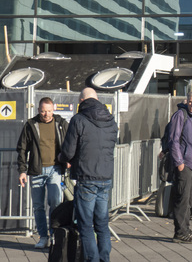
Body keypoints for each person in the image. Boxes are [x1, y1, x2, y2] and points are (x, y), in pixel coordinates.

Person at [58, 88, 118, 261]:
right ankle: (104, 258)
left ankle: (92, 259)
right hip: (105, 177)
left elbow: (68, 152)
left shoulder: (78, 119)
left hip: (86, 177)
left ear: (81, 100)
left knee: (85, 225)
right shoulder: (111, 120)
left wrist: (62, 157)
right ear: (97, 100)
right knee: (102, 224)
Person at [16, 97, 69, 249]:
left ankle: (54, 236)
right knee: (38, 206)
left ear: (54, 110)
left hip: (55, 169)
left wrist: (69, 160)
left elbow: (70, 142)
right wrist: (22, 171)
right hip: (36, 170)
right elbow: (22, 148)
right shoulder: (31, 125)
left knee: (55, 204)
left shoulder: (61, 124)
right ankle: (43, 237)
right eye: (43, 111)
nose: (46, 114)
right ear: (38, 110)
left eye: (49, 111)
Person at [168, 90, 192, 243]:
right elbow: (173, 140)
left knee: (189, 199)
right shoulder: (180, 115)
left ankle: (186, 229)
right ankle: (180, 232)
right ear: (186, 101)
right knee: (182, 198)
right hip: (185, 163)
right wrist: (179, 162)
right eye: (190, 102)